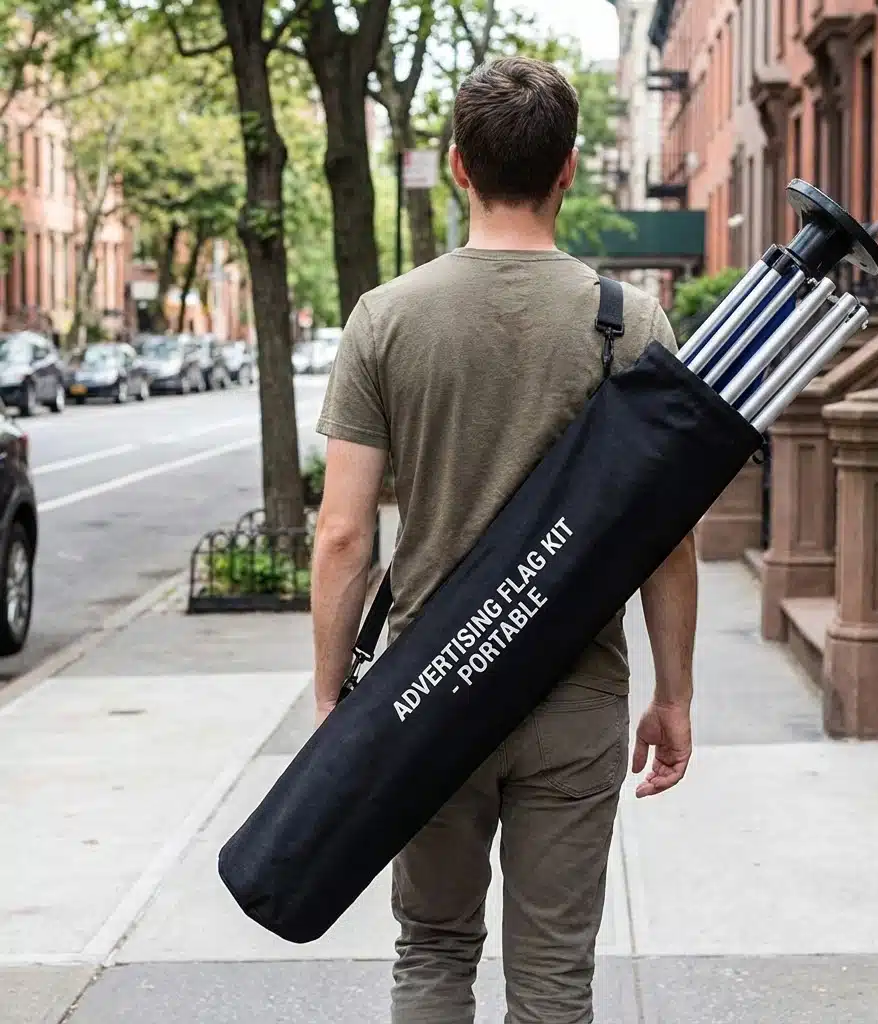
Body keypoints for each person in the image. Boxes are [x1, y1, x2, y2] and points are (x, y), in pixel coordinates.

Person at [311, 55, 697, 1024]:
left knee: (433, 950)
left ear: (455, 167)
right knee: (555, 975)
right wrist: (674, 692)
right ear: (568, 168)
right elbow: (669, 537)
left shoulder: (385, 320)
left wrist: (330, 702)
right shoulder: (631, 322)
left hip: (427, 694)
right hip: (574, 693)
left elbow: (344, 534)